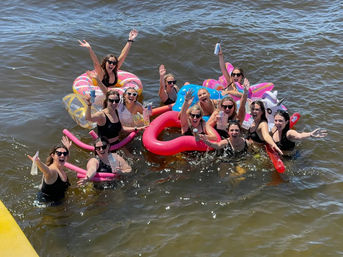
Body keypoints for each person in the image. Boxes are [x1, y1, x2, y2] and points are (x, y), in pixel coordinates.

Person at [79, 29, 138, 94]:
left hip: (113, 97)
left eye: (114, 63)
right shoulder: (101, 72)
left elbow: (123, 55)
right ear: (105, 62)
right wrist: (89, 48)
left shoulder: (115, 70)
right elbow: (96, 62)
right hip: (101, 95)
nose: (112, 64)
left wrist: (130, 40)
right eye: (110, 62)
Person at [28, 136, 72, 204]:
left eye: (65, 153)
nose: (62, 155)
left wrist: (67, 148)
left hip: (58, 202)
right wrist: (38, 162)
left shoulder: (60, 166)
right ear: (53, 156)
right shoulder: (53, 171)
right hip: (47, 205)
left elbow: (66, 157)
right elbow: (46, 171)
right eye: (59, 153)